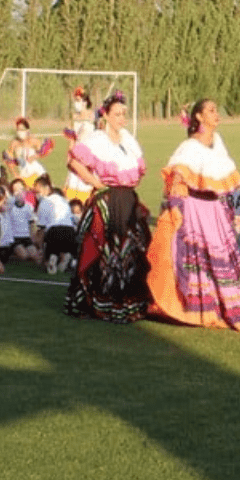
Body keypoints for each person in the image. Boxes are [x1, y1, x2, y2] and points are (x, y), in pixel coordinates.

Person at [145, 99, 240, 329]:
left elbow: (224, 178)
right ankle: (196, 309)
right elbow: (177, 178)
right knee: (198, 259)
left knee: (221, 258)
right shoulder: (190, 147)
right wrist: (177, 208)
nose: (217, 114)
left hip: (214, 210)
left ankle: (220, 306)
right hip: (196, 209)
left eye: (217, 110)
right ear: (198, 117)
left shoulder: (218, 143)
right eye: (211, 111)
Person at [63, 91, 151, 323]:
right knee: (104, 250)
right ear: (106, 115)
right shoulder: (97, 139)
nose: (122, 118)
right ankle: (102, 301)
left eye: (124, 113)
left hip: (128, 200)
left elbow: (139, 170)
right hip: (108, 200)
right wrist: (94, 182)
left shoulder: (128, 140)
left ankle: (128, 302)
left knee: (131, 250)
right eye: (117, 114)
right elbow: (73, 161)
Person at [33, 175, 76, 274]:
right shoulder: (63, 200)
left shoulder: (44, 203)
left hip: (54, 232)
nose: (37, 195)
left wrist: (40, 250)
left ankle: (51, 258)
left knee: (51, 248)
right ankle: (65, 256)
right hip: (70, 232)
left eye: (38, 192)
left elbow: (41, 230)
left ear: (46, 188)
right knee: (64, 247)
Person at [64, 87, 97, 203]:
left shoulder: (93, 116)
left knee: (85, 182)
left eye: (78, 100)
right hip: (76, 153)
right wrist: (69, 154)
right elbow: (72, 138)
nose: (76, 103)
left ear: (85, 101)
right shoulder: (74, 117)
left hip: (89, 153)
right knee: (73, 182)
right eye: (75, 100)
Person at [4, 117, 51, 189]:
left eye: (22, 129)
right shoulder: (14, 143)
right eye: (18, 129)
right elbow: (9, 161)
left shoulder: (33, 141)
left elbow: (43, 153)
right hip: (23, 175)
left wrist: (35, 156)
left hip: (36, 173)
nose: (19, 132)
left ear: (27, 130)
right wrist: (15, 175)